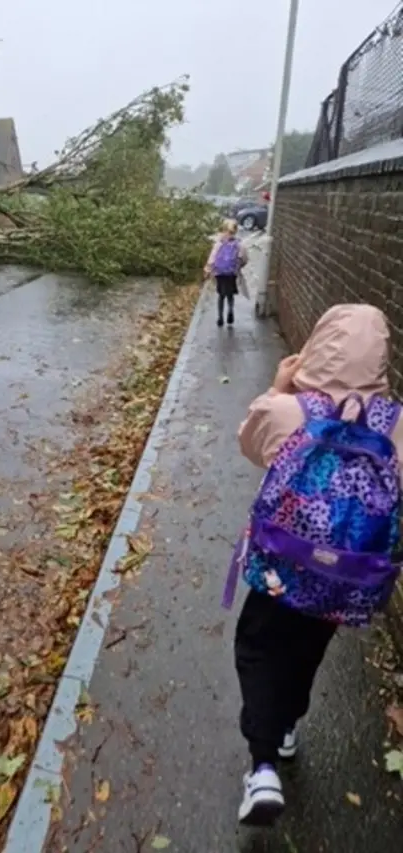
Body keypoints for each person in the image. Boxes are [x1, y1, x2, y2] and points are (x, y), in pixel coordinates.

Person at [232, 304, 403, 826]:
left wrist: (280, 388)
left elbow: (250, 444)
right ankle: (286, 726)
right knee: (307, 651)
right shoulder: (396, 423)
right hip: (346, 581)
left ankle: (262, 767)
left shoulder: (292, 411)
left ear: (319, 344)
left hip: (282, 569)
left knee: (258, 647)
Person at [204, 219, 248, 327]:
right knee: (230, 295)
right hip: (231, 273)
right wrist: (239, 267)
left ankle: (220, 317)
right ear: (235, 231)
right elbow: (244, 258)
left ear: (224, 230)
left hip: (220, 273)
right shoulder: (239, 244)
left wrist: (208, 269)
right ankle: (230, 310)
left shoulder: (219, 243)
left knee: (221, 295)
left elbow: (212, 257)